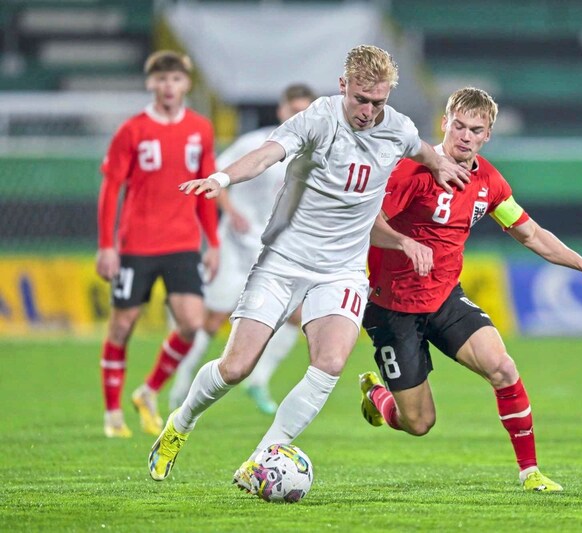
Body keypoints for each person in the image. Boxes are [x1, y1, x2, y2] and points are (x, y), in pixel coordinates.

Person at [147, 45, 470, 492]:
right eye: (361, 99)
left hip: (342, 270)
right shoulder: (318, 119)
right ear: (344, 87)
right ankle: (179, 424)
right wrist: (221, 179)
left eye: (378, 101)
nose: (369, 111)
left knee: (331, 362)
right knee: (236, 366)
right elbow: (265, 153)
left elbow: (422, 151)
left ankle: (260, 459)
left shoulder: (396, 128)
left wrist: (442, 164)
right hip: (284, 262)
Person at [359, 87, 582, 491]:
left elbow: (529, 233)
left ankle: (530, 472)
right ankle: (379, 398)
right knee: (419, 423)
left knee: (503, 367)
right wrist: (406, 242)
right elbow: (365, 222)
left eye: (474, 130)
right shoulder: (412, 171)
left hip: (444, 298)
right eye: (457, 125)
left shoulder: (489, 182)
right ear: (444, 123)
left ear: (487, 135)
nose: (464, 135)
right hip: (392, 307)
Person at [168, 84, 317, 415]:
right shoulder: (257, 143)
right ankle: (181, 381)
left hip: (280, 251)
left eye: (304, 111)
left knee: (296, 315)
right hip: (238, 246)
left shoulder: (315, 151)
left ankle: (258, 381)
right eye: (293, 110)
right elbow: (218, 178)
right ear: (281, 111)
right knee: (212, 319)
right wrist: (232, 212)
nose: (298, 116)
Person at [96, 50, 219, 438]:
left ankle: (148, 392)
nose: (169, 86)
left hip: (183, 242)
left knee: (191, 323)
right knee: (122, 325)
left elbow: (205, 189)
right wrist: (106, 245)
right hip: (137, 244)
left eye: (176, 79)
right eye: (162, 79)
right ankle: (113, 414)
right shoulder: (131, 130)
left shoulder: (201, 128)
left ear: (187, 84)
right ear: (151, 83)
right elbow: (110, 188)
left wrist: (212, 242)